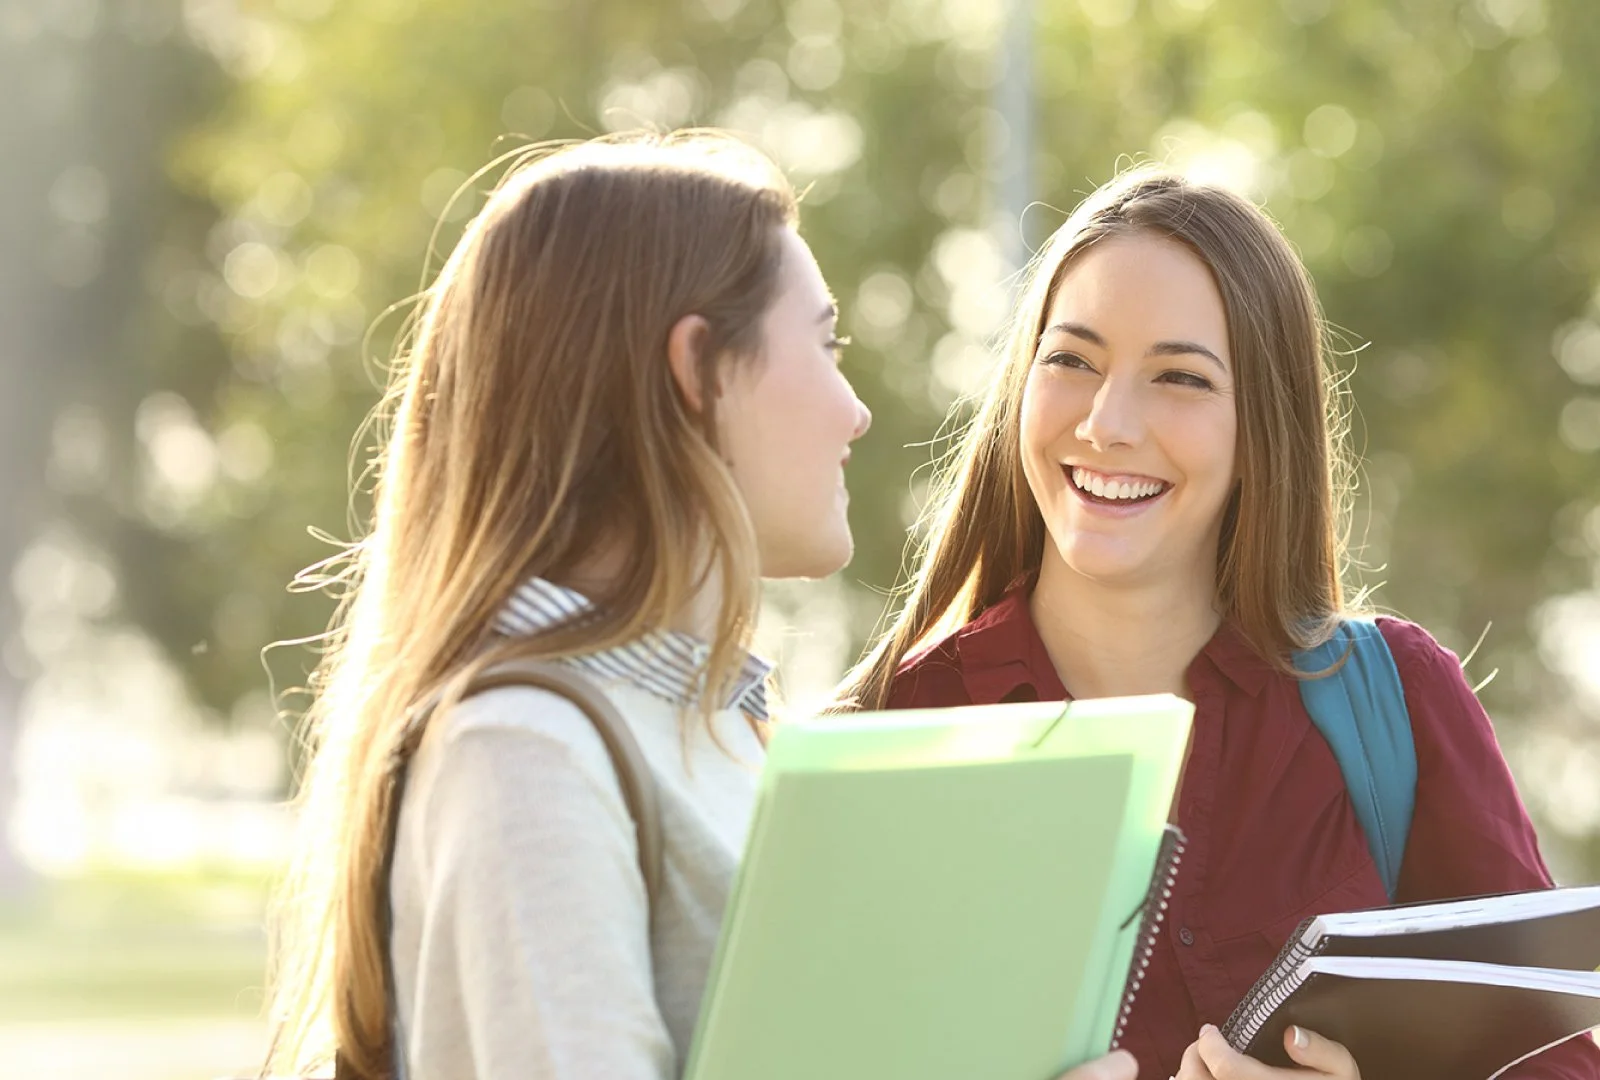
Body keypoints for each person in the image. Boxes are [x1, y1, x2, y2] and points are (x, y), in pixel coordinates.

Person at [262, 131, 1139, 1080]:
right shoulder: (524, 750)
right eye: (824, 342)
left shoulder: (719, 730)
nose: (856, 410)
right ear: (698, 371)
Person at [837, 167, 1600, 1080]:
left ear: (1262, 427)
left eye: (1180, 378)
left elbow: (1555, 1064)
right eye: (1071, 360)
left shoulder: (1395, 702)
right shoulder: (883, 739)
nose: (1108, 422)